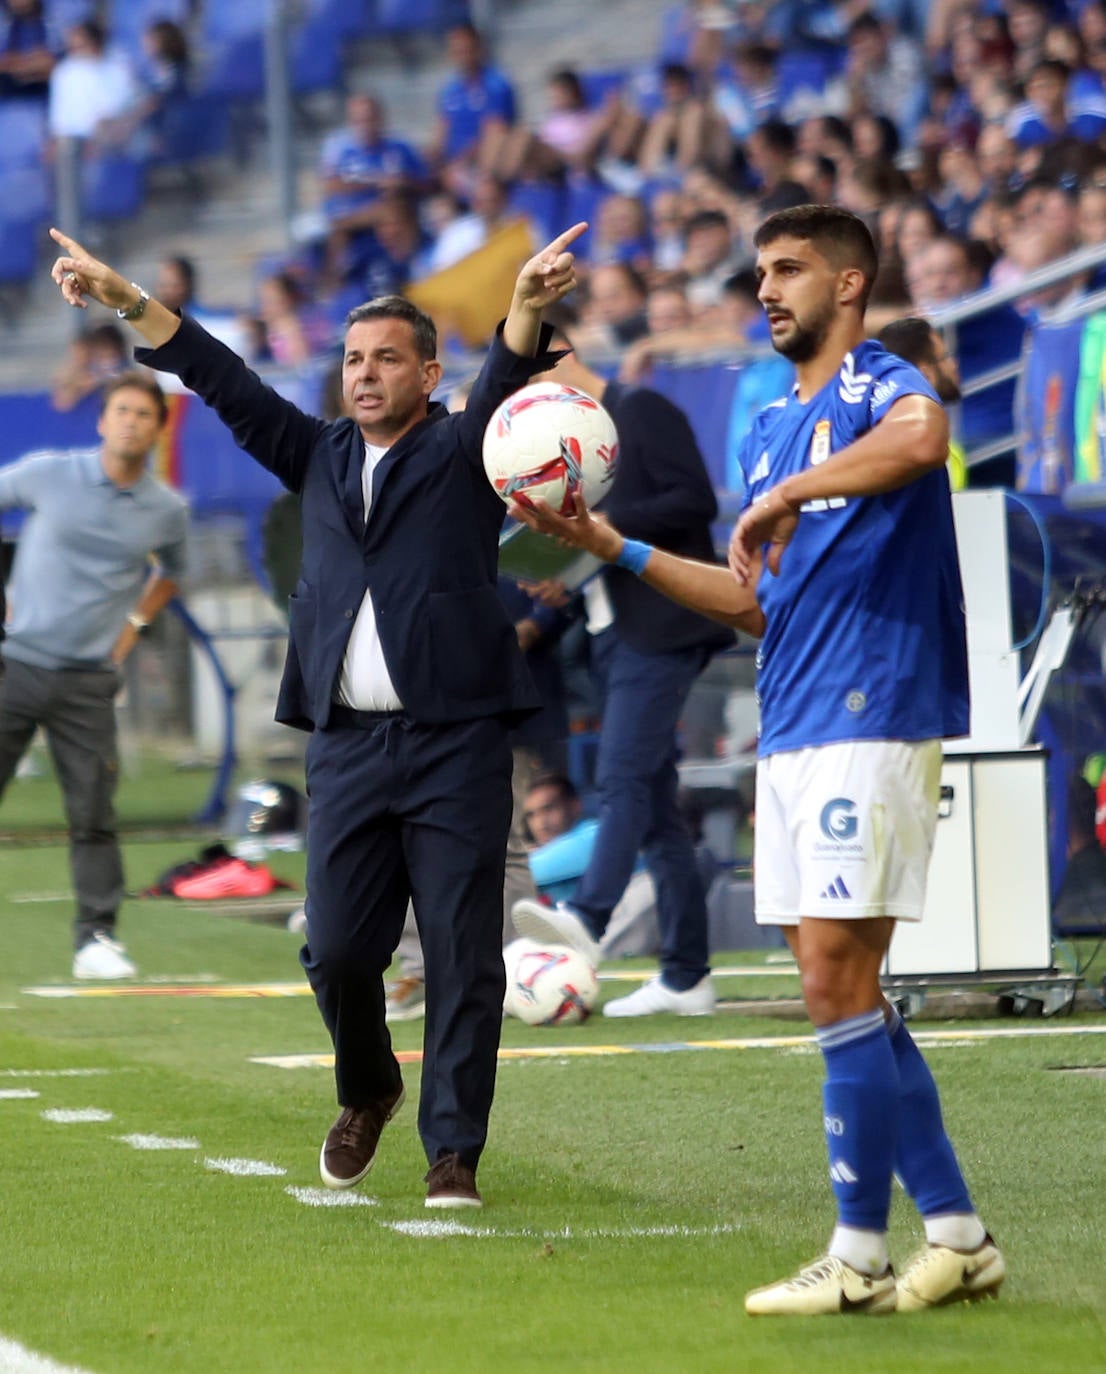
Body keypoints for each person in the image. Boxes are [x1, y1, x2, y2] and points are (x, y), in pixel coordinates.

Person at [511, 205, 1004, 1313]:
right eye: (758, 273)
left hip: (870, 712)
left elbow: (925, 440)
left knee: (836, 980)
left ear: (848, 284)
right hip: (792, 721)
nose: (765, 289)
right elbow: (750, 604)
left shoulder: (880, 385)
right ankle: (959, 1235)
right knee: (843, 988)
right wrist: (614, 548)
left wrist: (790, 492)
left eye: (789, 269)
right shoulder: (768, 426)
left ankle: (858, 1254)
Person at [48, 219, 587, 1210]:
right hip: (345, 747)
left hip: (458, 742)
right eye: (351, 359)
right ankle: (368, 1087)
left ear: (429, 374)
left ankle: (453, 1151)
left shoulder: (468, 448)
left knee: (465, 957)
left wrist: (525, 305)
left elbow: (508, 380)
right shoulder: (315, 453)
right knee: (336, 949)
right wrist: (128, 299)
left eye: (387, 359)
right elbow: (220, 376)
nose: (364, 373)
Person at [512, 317, 735, 1018]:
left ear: (561, 359)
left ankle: (590, 916)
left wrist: (596, 533)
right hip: (616, 629)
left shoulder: (642, 409)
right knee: (657, 806)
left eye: (528, 377)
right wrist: (565, 572)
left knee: (622, 774)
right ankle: (686, 974)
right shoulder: (577, 447)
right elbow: (604, 547)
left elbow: (693, 501)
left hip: (663, 623)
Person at [0, 370, 187, 979]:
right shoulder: (48, 472)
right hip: (14, 665)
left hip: (87, 683)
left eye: (143, 414)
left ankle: (96, 940)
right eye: (122, 411)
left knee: (93, 814)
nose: (132, 421)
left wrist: (134, 624)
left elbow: (172, 573)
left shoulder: (166, 509)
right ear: (102, 421)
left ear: (157, 428)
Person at [876, 316, 968, 491]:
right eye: (945, 357)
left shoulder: (942, 444)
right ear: (924, 374)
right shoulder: (913, 448)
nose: (954, 364)